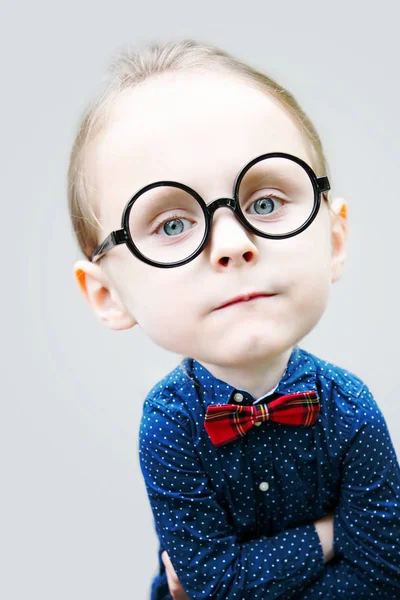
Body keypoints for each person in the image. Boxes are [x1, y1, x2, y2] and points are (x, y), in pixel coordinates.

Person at [68, 39, 400, 599]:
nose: (232, 243)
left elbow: (383, 577)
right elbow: (216, 587)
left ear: (335, 239)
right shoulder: (170, 426)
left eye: (265, 203)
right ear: (108, 295)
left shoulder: (352, 409)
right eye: (172, 224)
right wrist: (328, 536)